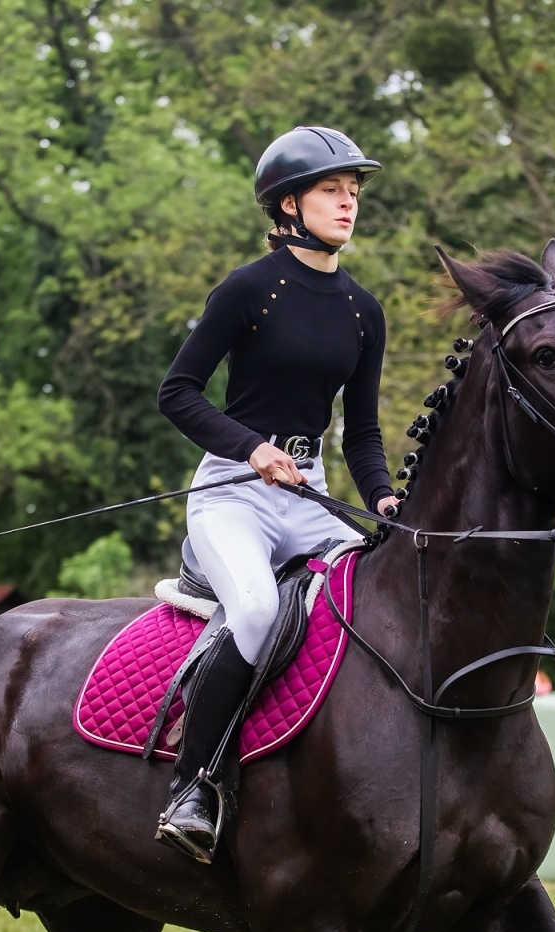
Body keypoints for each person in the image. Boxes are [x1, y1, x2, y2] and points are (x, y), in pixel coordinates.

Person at [150, 125, 395, 861]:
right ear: (290, 203)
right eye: (332, 190)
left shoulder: (363, 311)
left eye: (353, 192)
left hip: (311, 499)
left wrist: (383, 500)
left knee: (383, 596)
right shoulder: (248, 289)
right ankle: (193, 786)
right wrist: (251, 448)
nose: (348, 204)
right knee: (256, 610)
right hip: (234, 494)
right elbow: (177, 392)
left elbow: (362, 434)